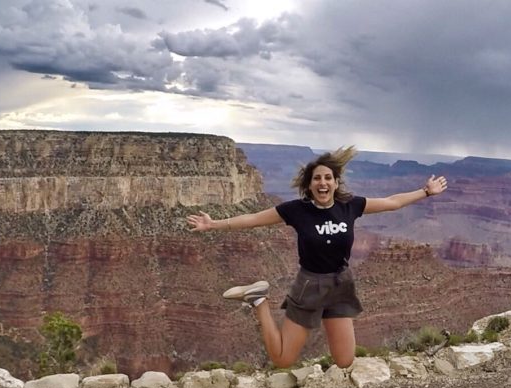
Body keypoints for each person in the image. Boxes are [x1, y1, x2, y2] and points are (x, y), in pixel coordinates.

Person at [186, 146, 448, 369]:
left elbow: (392, 202)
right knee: (282, 359)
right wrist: (215, 224)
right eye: (317, 179)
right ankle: (259, 301)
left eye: (327, 178)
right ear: (309, 185)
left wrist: (425, 191)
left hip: (341, 285)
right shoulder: (296, 210)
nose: (322, 183)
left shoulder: (351, 206)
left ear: (335, 182)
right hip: (310, 285)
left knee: (345, 361)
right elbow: (253, 219)